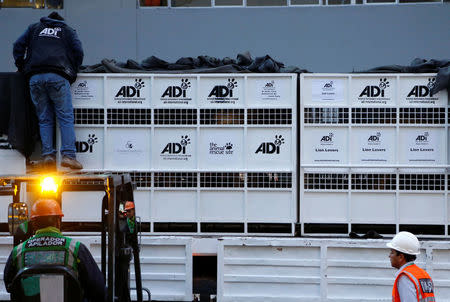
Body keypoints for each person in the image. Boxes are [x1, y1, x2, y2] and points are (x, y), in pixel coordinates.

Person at [13, 11, 84, 170]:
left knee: (44, 118)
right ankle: (69, 156)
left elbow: (17, 45)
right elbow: (78, 51)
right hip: (57, 76)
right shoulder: (67, 31)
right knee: (65, 117)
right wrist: (73, 68)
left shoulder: (34, 28)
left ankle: (48, 156)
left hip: (35, 77)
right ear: (60, 21)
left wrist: (21, 65)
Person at [3, 199, 106, 302]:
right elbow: (98, 289)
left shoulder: (18, 251)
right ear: (58, 222)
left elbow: (9, 286)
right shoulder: (75, 248)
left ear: (33, 223)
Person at [387, 231, 435, 302]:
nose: (389, 255)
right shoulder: (423, 274)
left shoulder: (405, 277)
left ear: (401, 257)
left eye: (392, 252)